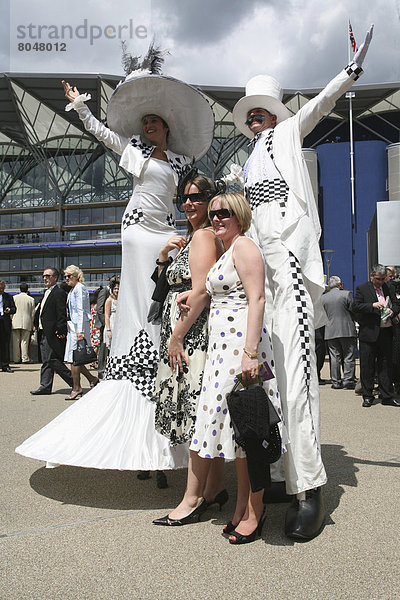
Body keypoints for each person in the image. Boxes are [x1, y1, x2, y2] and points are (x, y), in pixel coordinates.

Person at [16, 68, 213, 475]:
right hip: (139, 226)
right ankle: (141, 349)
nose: (149, 126)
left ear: (167, 127)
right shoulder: (135, 150)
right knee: (144, 288)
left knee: (169, 279)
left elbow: (199, 192)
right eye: (145, 122)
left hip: (166, 226)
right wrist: (79, 108)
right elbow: (101, 134)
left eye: (154, 122)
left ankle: (165, 342)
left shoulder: (182, 161)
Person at [230, 26, 373, 540]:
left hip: (287, 261)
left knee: (295, 378)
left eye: (261, 110)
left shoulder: (288, 134)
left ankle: (308, 487)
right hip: (254, 273)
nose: (254, 118)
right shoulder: (245, 160)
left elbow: (318, 105)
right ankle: (267, 481)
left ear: (275, 113)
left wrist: (349, 71)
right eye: (249, 113)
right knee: (258, 377)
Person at [153, 193, 283, 545]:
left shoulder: (244, 246)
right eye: (213, 213)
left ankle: (255, 511)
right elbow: (216, 292)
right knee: (236, 431)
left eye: (224, 212)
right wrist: (187, 297)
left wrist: (251, 353)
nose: (217, 218)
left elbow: (257, 298)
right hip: (222, 351)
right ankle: (241, 506)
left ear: (240, 214)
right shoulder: (228, 251)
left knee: (250, 429)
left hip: (241, 350)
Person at [352, 265, 400, 408]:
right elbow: (355, 306)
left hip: (386, 331)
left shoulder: (388, 288)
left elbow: (396, 304)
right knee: (367, 365)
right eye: (378, 279)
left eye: (382, 279)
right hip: (369, 333)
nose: (380, 282)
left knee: (385, 365)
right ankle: (367, 395)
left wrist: (392, 311)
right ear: (372, 276)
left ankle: (387, 395)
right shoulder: (363, 289)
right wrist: (372, 305)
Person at [30, 268, 73, 395]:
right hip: (43, 331)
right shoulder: (46, 292)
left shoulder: (58, 292)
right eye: (43, 276)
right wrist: (35, 324)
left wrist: (60, 329)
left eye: (48, 276)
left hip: (53, 332)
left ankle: (73, 381)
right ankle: (45, 386)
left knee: (51, 359)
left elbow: (61, 312)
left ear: (55, 278)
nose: (45, 278)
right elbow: (41, 312)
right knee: (46, 360)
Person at [64, 265, 99, 400]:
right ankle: (91, 378)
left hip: (79, 326)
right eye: (65, 276)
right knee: (75, 358)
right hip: (72, 326)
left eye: (69, 276)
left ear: (76, 276)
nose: (67, 279)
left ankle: (77, 387)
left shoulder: (80, 288)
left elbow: (80, 310)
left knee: (75, 358)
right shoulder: (73, 290)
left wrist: (80, 331)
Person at [322, 276, 357, 390]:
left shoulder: (324, 298)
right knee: (348, 355)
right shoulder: (346, 294)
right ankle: (348, 380)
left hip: (330, 330)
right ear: (340, 284)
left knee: (334, 356)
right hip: (346, 329)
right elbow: (353, 309)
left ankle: (336, 381)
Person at [11, 283, 35, 364]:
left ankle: (16, 359)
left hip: (15, 321)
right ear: (27, 289)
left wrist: (12, 319)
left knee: (15, 341)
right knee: (24, 341)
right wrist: (32, 324)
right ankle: (25, 358)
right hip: (26, 321)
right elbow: (32, 313)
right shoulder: (31, 299)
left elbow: (12, 311)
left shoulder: (14, 298)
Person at [0, 280, 16, 372]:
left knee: (5, 344)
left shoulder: (8, 297)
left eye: (3, 288)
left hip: (5, 322)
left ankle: (5, 364)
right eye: (0, 288)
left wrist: (9, 310)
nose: (1, 289)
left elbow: (14, 309)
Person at [103, 278, 120, 350]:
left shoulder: (122, 299)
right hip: (112, 323)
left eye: (118, 289)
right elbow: (106, 315)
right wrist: (108, 329)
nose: (116, 290)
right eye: (115, 288)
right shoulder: (109, 300)